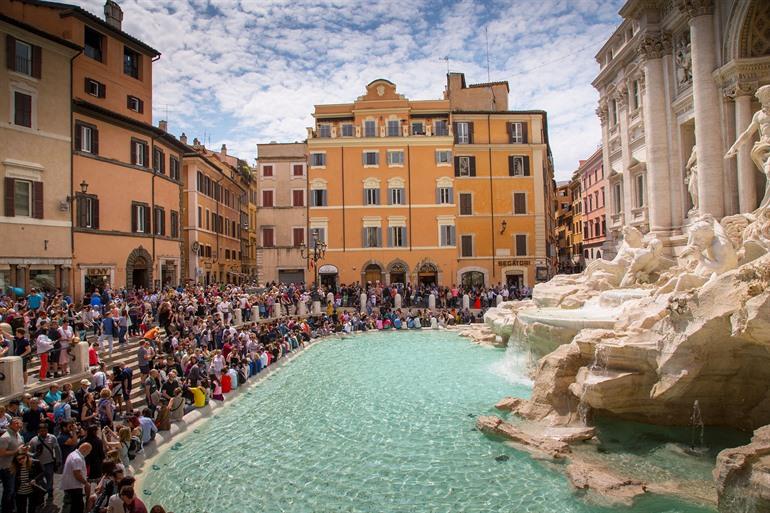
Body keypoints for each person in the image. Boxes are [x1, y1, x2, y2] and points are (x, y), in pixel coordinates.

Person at [28, 422, 60, 501]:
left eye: (45, 430)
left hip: (49, 463)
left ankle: (50, 493)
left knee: (50, 479)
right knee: (39, 480)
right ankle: (44, 491)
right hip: (38, 465)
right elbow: (28, 452)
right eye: (41, 431)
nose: (43, 432)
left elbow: (57, 449)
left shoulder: (52, 438)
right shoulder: (33, 440)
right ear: (38, 431)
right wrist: (35, 454)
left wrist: (59, 460)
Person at [0, 417, 24, 512]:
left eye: (19, 423)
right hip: (7, 467)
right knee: (9, 490)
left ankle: (12, 507)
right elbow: (1, 453)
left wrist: (23, 448)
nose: (18, 425)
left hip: (17, 464)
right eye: (16, 423)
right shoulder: (5, 437)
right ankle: (5, 509)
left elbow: (19, 445)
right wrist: (16, 451)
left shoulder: (17, 433)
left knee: (14, 489)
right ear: (10, 424)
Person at [11, 447, 46, 513]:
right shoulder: (15, 466)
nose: (21, 460)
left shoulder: (35, 463)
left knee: (32, 508)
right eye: (19, 459)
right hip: (20, 491)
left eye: (23, 458)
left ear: (26, 456)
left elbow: (42, 472)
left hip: (32, 490)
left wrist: (35, 479)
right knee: (21, 508)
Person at [61, 442, 92, 513]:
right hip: (74, 486)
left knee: (74, 506)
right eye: (89, 451)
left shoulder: (73, 454)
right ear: (84, 449)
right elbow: (77, 474)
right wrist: (86, 483)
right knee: (78, 507)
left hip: (71, 485)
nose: (89, 453)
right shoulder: (77, 458)